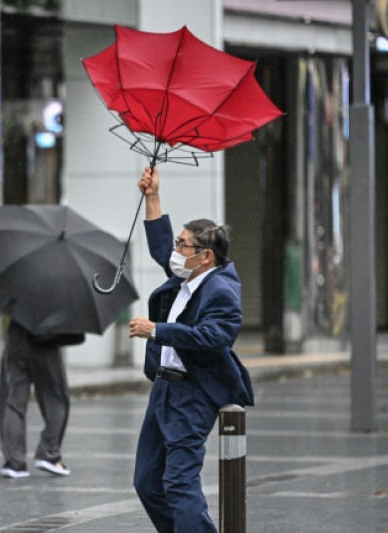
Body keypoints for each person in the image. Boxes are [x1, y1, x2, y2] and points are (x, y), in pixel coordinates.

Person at [127, 166, 254, 533]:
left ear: (207, 256)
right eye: (180, 243)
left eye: (185, 245)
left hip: (192, 392)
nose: (176, 251)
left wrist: (157, 331)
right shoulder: (189, 274)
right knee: (148, 482)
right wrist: (153, 197)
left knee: (179, 483)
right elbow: (160, 247)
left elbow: (213, 337)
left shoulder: (222, 291)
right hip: (164, 388)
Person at [0, 318, 84, 478]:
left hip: (16, 336)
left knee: (14, 402)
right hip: (45, 339)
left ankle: (14, 463)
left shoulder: (19, 292)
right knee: (56, 398)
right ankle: (48, 453)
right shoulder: (61, 292)